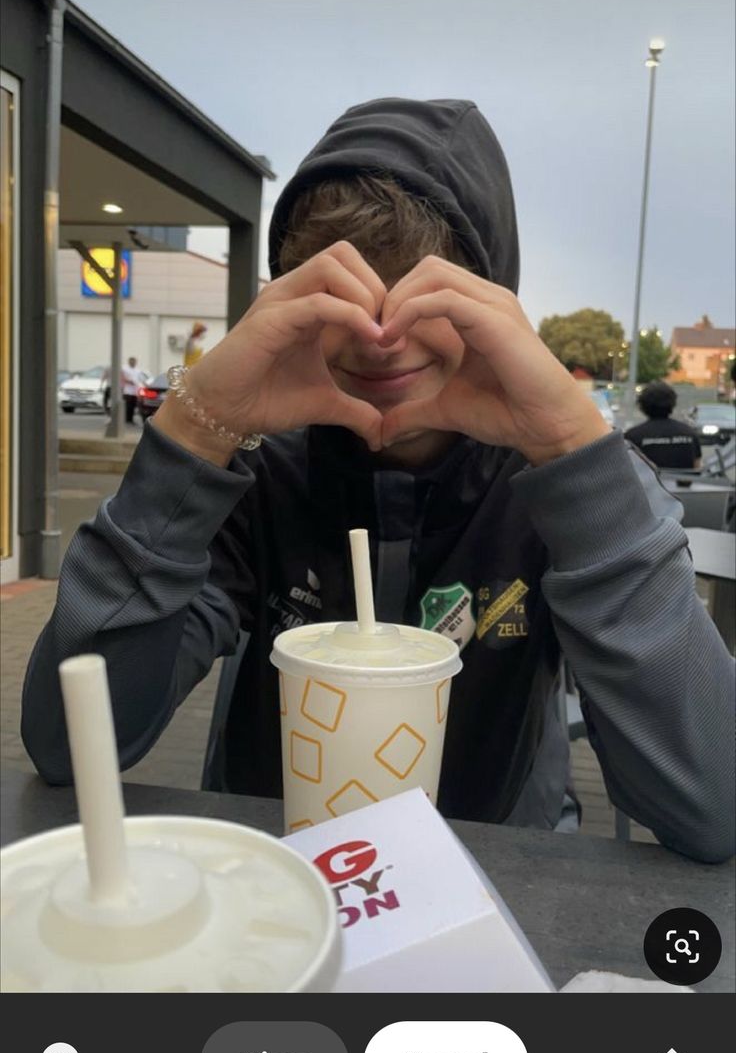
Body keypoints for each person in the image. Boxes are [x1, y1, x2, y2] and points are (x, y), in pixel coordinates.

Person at [21, 98, 734, 864]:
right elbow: (70, 744)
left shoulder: (566, 490)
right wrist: (195, 432)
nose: (382, 342)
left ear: (491, 298)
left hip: (496, 867)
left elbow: (713, 807)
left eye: (427, 297)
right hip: (278, 875)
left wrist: (571, 448)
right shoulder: (256, 474)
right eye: (343, 298)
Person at [624, 381, 702, 471]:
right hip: (684, 484)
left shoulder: (632, 436)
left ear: (642, 406)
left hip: (648, 485)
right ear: (673, 403)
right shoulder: (690, 434)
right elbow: (697, 468)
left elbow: (627, 470)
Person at [120, 356, 145, 425]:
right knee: (128, 406)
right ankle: (126, 419)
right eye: (131, 361)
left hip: (135, 391)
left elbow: (141, 379)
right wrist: (128, 381)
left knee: (133, 406)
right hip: (127, 391)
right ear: (129, 362)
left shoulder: (137, 370)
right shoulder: (125, 369)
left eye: (134, 361)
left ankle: (130, 419)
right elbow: (122, 377)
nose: (133, 363)